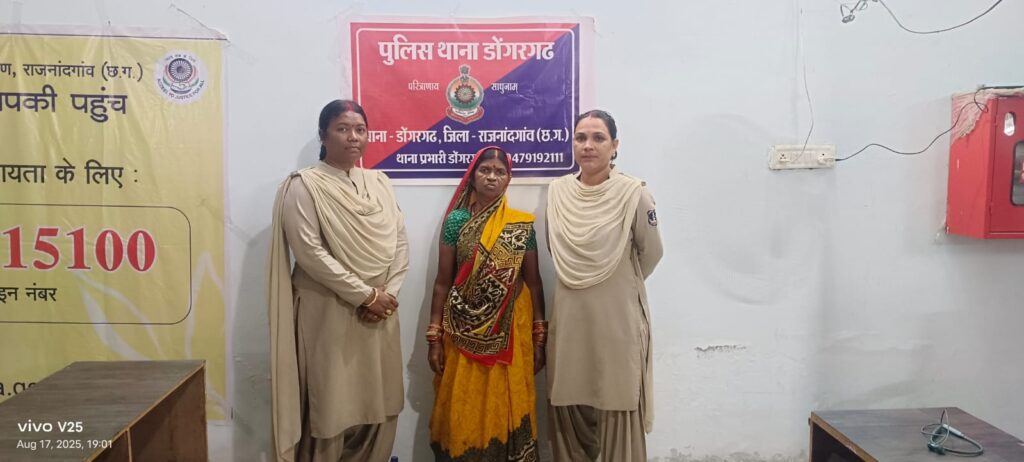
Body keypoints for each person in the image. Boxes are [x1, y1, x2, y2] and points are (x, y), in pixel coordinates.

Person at [268, 99, 409, 462]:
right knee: (331, 404)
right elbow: (310, 253)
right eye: (343, 129)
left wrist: (387, 296)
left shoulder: (380, 182)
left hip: (380, 314)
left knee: (380, 400)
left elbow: (400, 242)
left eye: (360, 129)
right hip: (328, 310)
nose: (353, 137)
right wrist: (366, 296)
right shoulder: (304, 185)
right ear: (323, 135)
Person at [545, 109, 663, 461]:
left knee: (617, 394)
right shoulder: (557, 192)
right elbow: (554, 248)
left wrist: (614, 281)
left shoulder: (634, 193)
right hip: (571, 316)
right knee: (568, 394)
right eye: (581, 138)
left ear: (614, 145)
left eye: (598, 138)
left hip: (616, 317)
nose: (588, 145)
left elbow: (652, 253)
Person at [427, 146, 547, 462]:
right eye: (485, 170)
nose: (491, 177)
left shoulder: (520, 226)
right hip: (460, 331)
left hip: (511, 331)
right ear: (472, 176)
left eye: (499, 171)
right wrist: (434, 337)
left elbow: (535, 284)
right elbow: (442, 282)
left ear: (508, 179)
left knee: (507, 401)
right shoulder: (456, 222)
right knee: (462, 402)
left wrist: (539, 338)